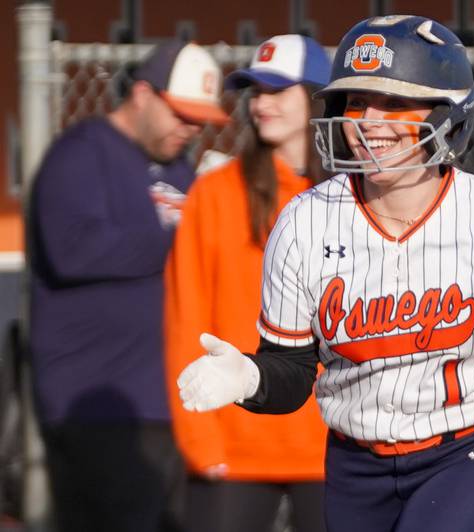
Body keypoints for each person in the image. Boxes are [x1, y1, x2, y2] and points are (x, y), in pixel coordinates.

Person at [176, 15, 474, 532]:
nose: (369, 121)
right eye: (357, 102)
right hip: (356, 466)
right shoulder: (305, 221)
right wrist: (250, 376)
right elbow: (291, 375)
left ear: (445, 113)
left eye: (393, 102)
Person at [28, 40, 228, 532]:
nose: (191, 128)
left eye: (200, 119)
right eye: (181, 113)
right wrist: (189, 237)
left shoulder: (180, 166)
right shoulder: (80, 153)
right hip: (100, 407)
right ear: (142, 94)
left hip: (172, 405)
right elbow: (72, 248)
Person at [163, 34, 331, 532]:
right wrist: (199, 437)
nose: (261, 103)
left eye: (278, 89)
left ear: (316, 97)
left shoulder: (354, 194)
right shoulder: (214, 194)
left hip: (337, 445)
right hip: (233, 447)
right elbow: (185, 318)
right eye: (254, 90)